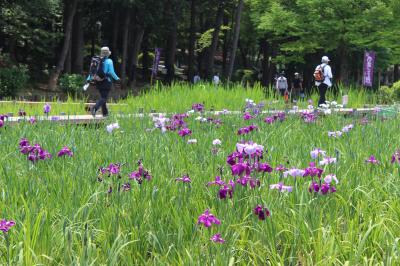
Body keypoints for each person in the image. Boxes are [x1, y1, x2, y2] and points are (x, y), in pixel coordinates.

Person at [87, 47, 120, 117]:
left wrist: (89, 78)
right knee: (104, 98)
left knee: (103, 96)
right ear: (108, 54)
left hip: (98, 81)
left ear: (101, 53)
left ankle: (105, 113)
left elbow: (92, 71)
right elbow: (111, 71)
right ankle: (94, 108)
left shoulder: (97, 60)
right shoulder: (109, 61)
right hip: (106, 81)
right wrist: (117, 78)